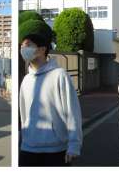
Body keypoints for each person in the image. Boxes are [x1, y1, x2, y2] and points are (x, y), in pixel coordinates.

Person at [19, 21, 82, 166]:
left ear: (42, 49)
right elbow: (24, 114)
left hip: (56, 149)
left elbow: (72, 111)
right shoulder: (26, 80)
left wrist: (74, 145)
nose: (23, 49)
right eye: (21, 46)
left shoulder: (59, 75)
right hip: (28, 147)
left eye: (27, 45)